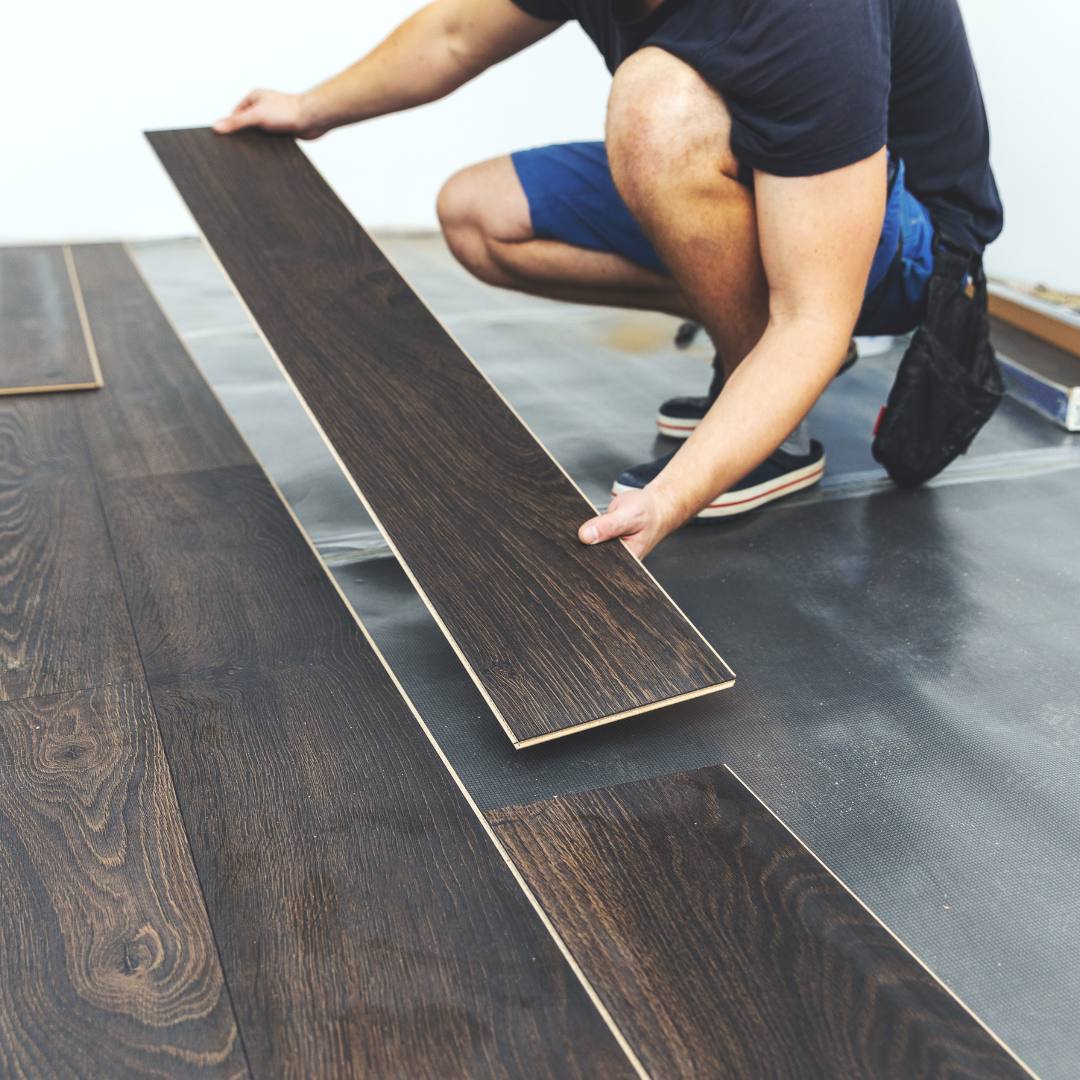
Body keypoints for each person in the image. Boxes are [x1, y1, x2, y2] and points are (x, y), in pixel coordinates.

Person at [214, 0, 1001, 559]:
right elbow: (455, 33)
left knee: (655, 107)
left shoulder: (807, 15)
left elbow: (811, 319)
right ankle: (757, 370)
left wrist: (673, 495)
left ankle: (774, 437)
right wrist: (310, 109)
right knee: (478, 214)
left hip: (909, 248)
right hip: (774, 188)